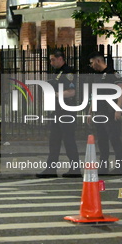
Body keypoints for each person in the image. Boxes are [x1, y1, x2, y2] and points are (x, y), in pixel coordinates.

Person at [36, 50, 81, 178]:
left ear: (60, 58)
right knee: (54, 140)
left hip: (67, 110)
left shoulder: (68, 73)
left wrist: (55, 95)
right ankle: (51, 169)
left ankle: (75, 169)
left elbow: (71, 92)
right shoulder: (57, 73)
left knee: (68, 140)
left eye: (53, 59)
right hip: (57, 110)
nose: (51, 62)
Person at [87, 51, 122, 175]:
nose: (91, 65)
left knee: (114, 139)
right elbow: (95, 95)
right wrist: (90, 111)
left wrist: (118, 109)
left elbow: (121, 90)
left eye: (92, 63)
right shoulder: (97, 76)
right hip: (99, 112)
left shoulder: (113, 74)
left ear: (98, 61)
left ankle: (120, 167)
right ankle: (104, 166)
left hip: (110, 112)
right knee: (102, 140)